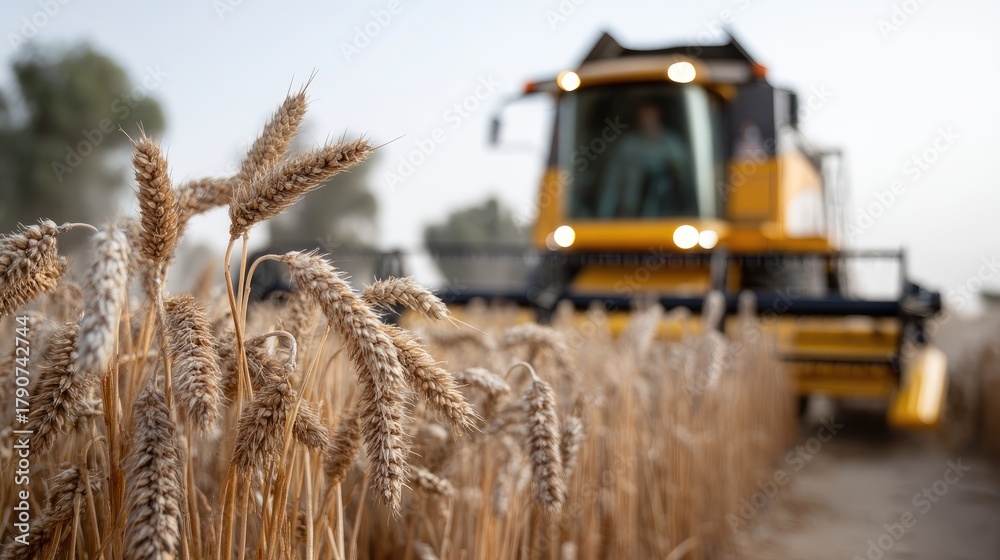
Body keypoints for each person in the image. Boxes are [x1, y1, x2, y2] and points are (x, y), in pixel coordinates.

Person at [597, 101, 691, 218]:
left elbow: (686, 181)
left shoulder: (673, 145)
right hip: (631, 212)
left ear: (658, 118)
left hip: (668, 213)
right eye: (644, 118)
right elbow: (612, 181)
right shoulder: (628, 146)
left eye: (651, 117)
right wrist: (604, 214)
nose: (647, 122)